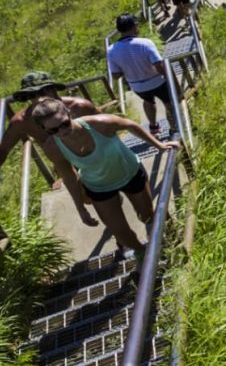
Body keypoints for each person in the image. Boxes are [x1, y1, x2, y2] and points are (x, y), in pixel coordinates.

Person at [0, 72, 106, 228]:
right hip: (64, 164)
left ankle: (119, 233)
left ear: (54, 89)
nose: (39, 98)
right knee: (87, 197)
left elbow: (108, 129)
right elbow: (2, 150)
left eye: (44, 91)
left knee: (102, 197)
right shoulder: (23, 121)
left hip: (94, 157)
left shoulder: (79, 107)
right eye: (32, 95)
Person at [32, 98, 176, 254]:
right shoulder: (52, 148)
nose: (62, 131)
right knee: (120, 233)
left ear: (68, 113)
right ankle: (143, 255)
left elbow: (130, 125)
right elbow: (68, 176)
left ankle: (173, 234)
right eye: (53, 130)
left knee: (147, 216)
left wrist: (159, 145)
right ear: (44, 129)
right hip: (98, 186)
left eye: (64, 123)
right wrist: (80, 208)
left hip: (129, 173)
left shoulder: (99, 124)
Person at [108, 14, 178, 137]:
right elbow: (159, 65)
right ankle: (174, 128)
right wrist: (171, 81)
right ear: (134, 26)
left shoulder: (111, 50)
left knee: (148, 101)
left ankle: (153, 127)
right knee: (169, 103)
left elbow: (115, 75)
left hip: (137, 87)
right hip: (157, 81)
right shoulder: (145, 43)